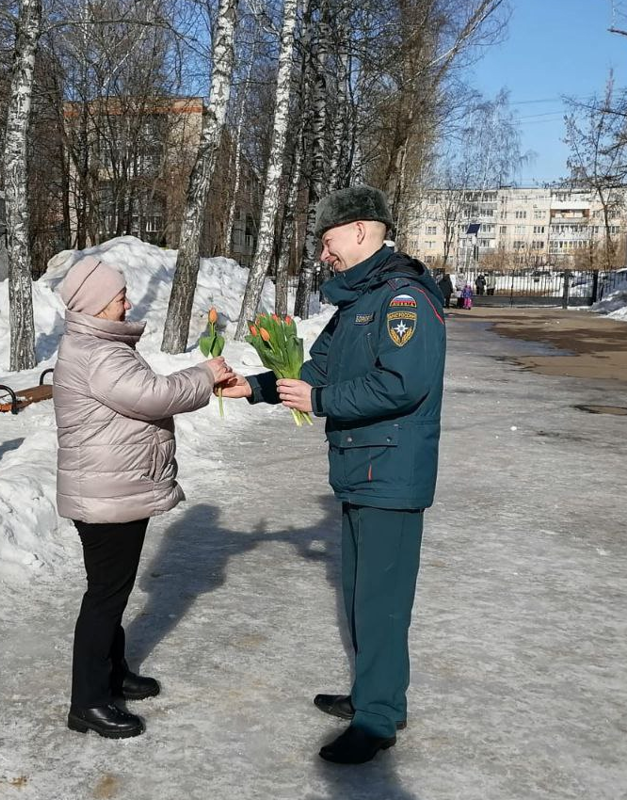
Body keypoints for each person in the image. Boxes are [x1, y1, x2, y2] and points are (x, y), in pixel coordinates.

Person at [221, 186, 446, 765]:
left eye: (328, 242)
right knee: (360, 596)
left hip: (390, 473)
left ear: (362, 232)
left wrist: (321, 399)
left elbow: (403, 384)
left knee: (383, 601)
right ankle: (375, 696)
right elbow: (313, 368)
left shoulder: (403, 300)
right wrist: (255, 386)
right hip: (361, 469)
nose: (324, 255)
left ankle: (377, 720)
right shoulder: (358, 304)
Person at [53, 254, 233, 740]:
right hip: (108, 492)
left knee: (111, 591)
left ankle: (113, 673)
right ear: (94, 304)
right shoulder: (98, 352)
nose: (127, 302)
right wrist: (204, 375)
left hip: (113, 487)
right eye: (118, 297)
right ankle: (87, 702)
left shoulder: (96, 344)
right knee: (105, 597)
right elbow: (151, 394)